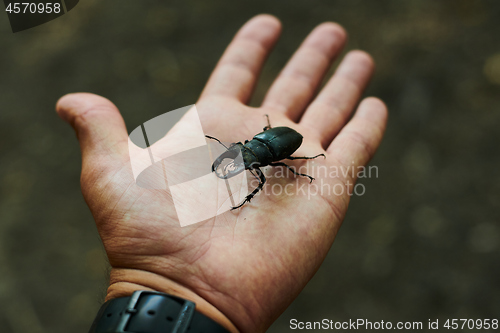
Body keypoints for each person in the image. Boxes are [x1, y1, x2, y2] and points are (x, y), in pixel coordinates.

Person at [56, 14, 387, 333]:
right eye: (239, 158)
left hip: (280, 140)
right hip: (269, 139)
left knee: (281, 171)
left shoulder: (269, 158)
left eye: (244, 161)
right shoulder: (249, 149)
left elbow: (273, 162)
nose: (238, 163)